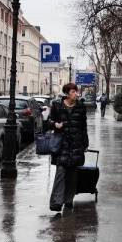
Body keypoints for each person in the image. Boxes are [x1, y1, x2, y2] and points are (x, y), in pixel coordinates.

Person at [47, 83, 89, 212]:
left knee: (72, 174)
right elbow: (48, 122)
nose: (76, 94)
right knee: (60, 172)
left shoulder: (81, 107)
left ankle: (68, 200)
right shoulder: (57, 105)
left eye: (76, 91)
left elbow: (83, 127)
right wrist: (55, 125)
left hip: (76, 144)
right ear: (67, 94)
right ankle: (56, 202)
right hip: (62, 144)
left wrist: (85, 144)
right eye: (73, 92)